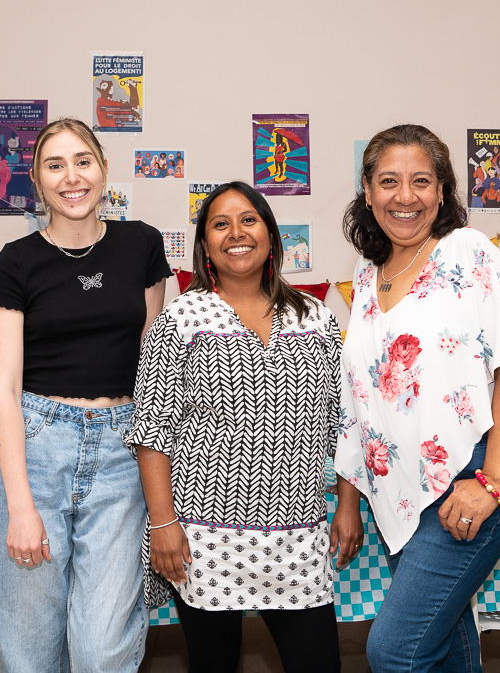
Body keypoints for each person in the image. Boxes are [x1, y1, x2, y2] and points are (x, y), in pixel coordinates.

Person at [124, 181, 359, 673]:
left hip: (299, 540)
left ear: (271, 235)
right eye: (220, 224)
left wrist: (349, 504)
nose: (237, 233)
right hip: (205, 541)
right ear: (205, 244)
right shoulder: (181, 320)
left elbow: (346, 420)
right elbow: (152, 432)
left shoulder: (315, 318)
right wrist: (164, 525)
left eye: (249, 220)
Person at [334, 124, 500, 673]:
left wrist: (491, 483)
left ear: (444, 190)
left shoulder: (467, 252)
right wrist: (351, 499)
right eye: (389, 181)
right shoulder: (367, 271)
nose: (405, 197)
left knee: (396, 650)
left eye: (421, 181)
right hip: (401, 489)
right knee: (446, 645)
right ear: (367, 189)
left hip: (471, 474)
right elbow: (363, 399)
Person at [0, 117, 171, 673]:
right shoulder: (14, 262)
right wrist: (20, 506)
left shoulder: (142, 245)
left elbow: (153, 368)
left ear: (104, 170)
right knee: (30, 652)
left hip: (121, 450)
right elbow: (4, 389)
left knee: (103, 648)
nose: (71, 177)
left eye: (82, 161)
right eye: (54, 165)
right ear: (37, 183)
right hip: (34, 450)